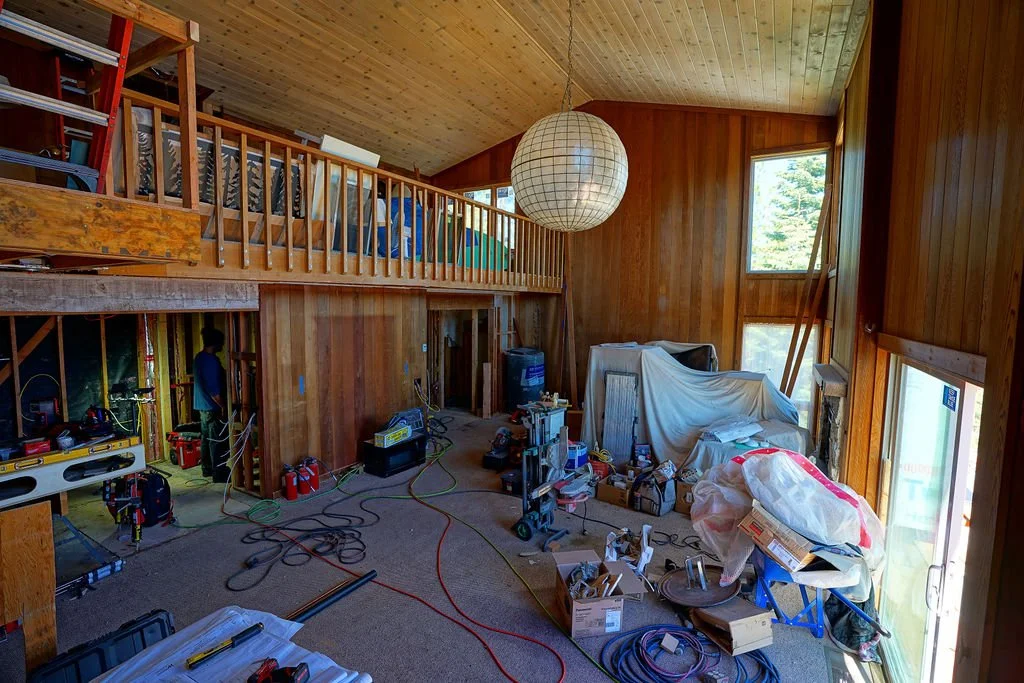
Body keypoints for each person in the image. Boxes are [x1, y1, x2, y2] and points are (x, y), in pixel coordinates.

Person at [194, 327, 228, 482]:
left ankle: (207, 469)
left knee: (207, 439)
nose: (223, 346)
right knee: (216, 441)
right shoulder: (210, 361)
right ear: (216, 343)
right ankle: (219, 473)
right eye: (221, 343)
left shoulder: (200, 357)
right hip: (212, 407)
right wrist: (223, 406)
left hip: (202, 407)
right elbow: (214, 390)